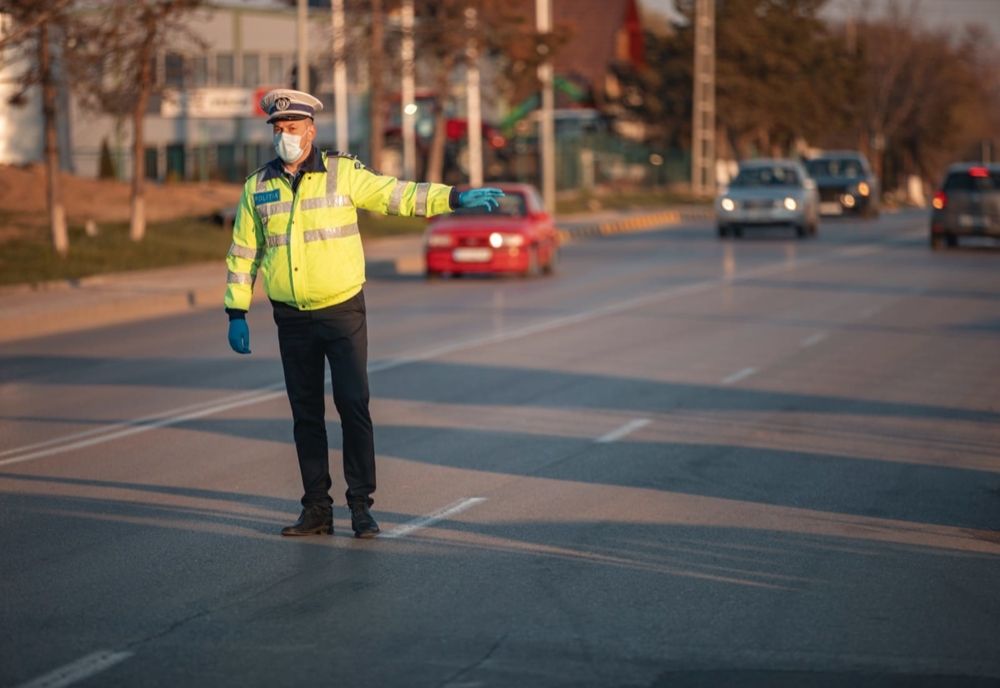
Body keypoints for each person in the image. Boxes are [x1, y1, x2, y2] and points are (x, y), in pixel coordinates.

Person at [224, 88, 503, 538]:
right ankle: (316, 508)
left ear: (310, 131)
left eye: (292, 129)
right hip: (291, 318)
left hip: (341, 311)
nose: (284, 138)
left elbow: (398, 195)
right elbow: (243, 253)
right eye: (278, 130)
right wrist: (236, 310)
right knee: (305, 415)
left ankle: (360, 506)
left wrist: (453, 198)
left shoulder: (343, 174)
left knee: (353, 405)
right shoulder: (257, 187)